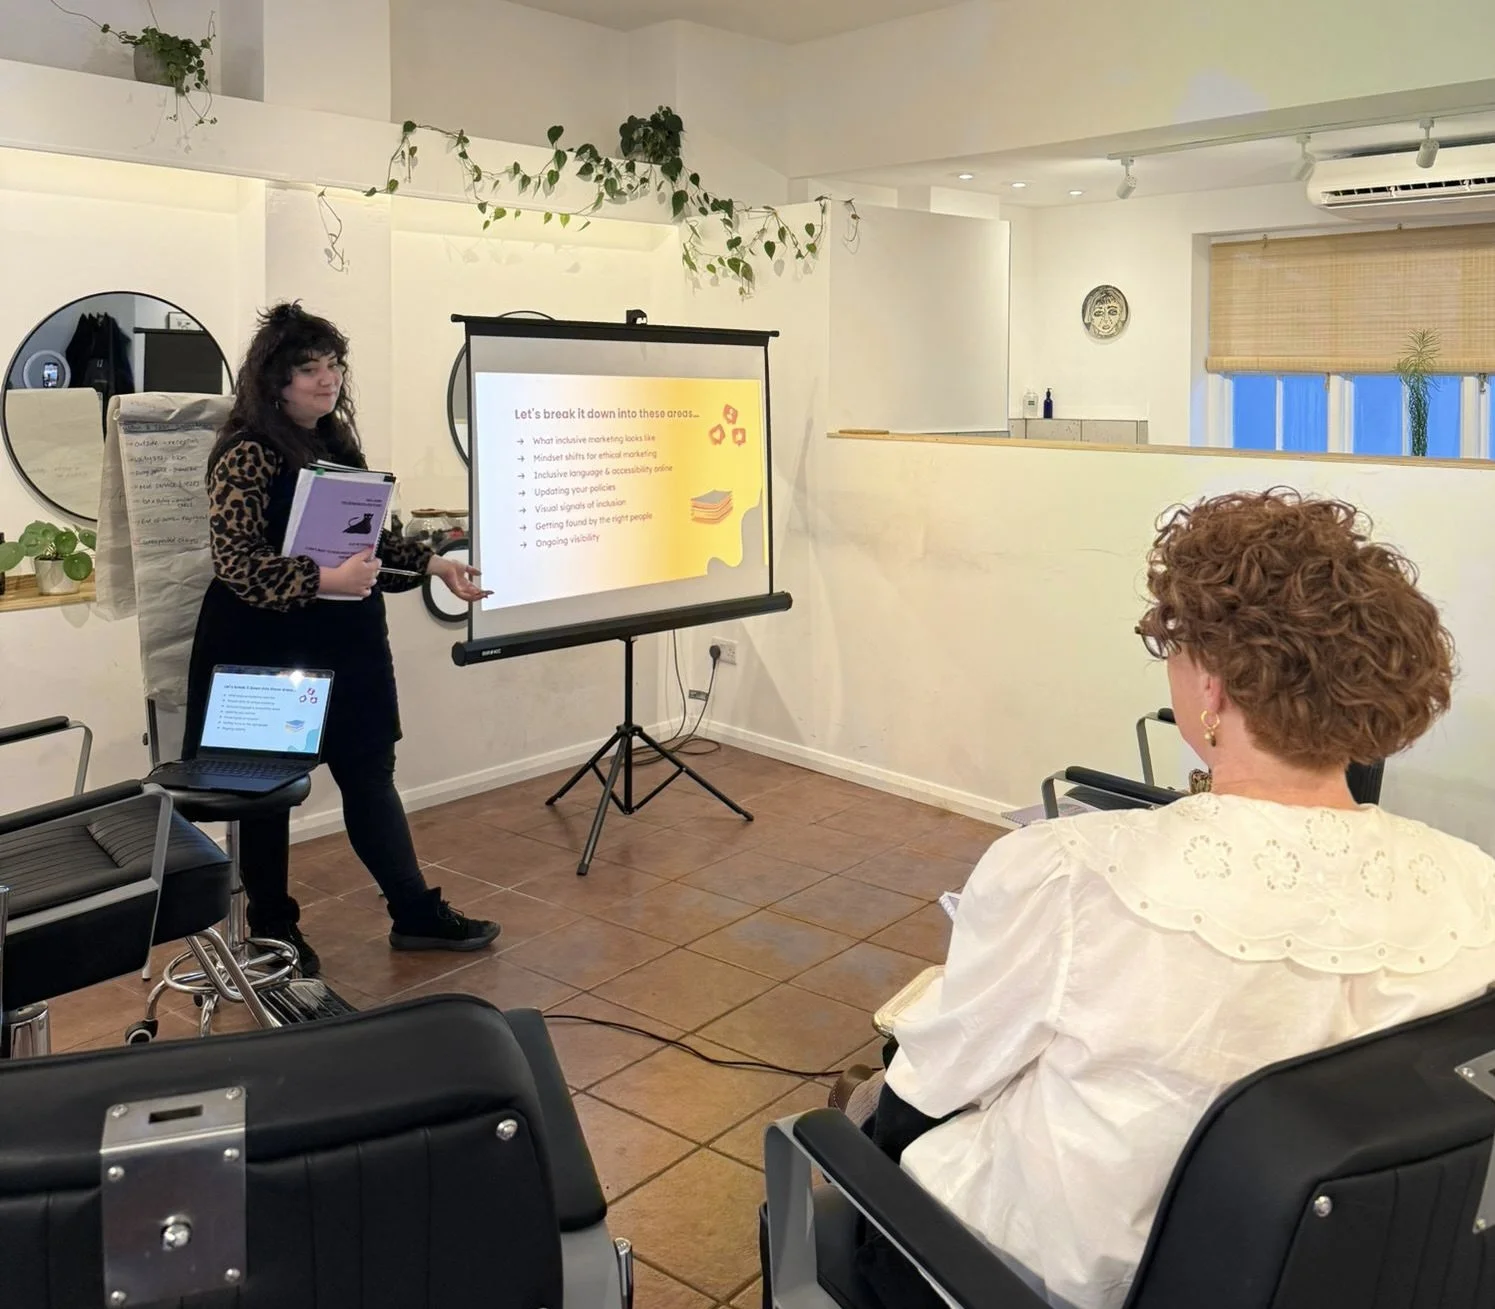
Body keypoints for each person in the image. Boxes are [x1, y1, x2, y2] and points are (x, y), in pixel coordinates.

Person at [846, 489, 1495, 1309]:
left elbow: (932, 1083)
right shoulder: (1475, 888)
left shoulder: (1071, 872)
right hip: (1321, 1274)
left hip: (1062, 1279)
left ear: (1214, 691)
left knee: (866, 1105)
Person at [183, 302, 501, 977]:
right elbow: (236, 563)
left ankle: (414, 912)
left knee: (368, 772)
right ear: (276, 379)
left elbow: (368, 539)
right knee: (268, 794)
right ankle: (273, 930)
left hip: (346, 641)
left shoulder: (331, 442)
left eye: (333, 366)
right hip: (266, 647)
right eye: (309, 369)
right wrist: (324, 578)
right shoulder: (243, 450)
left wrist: (433, 561)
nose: (326, 381)